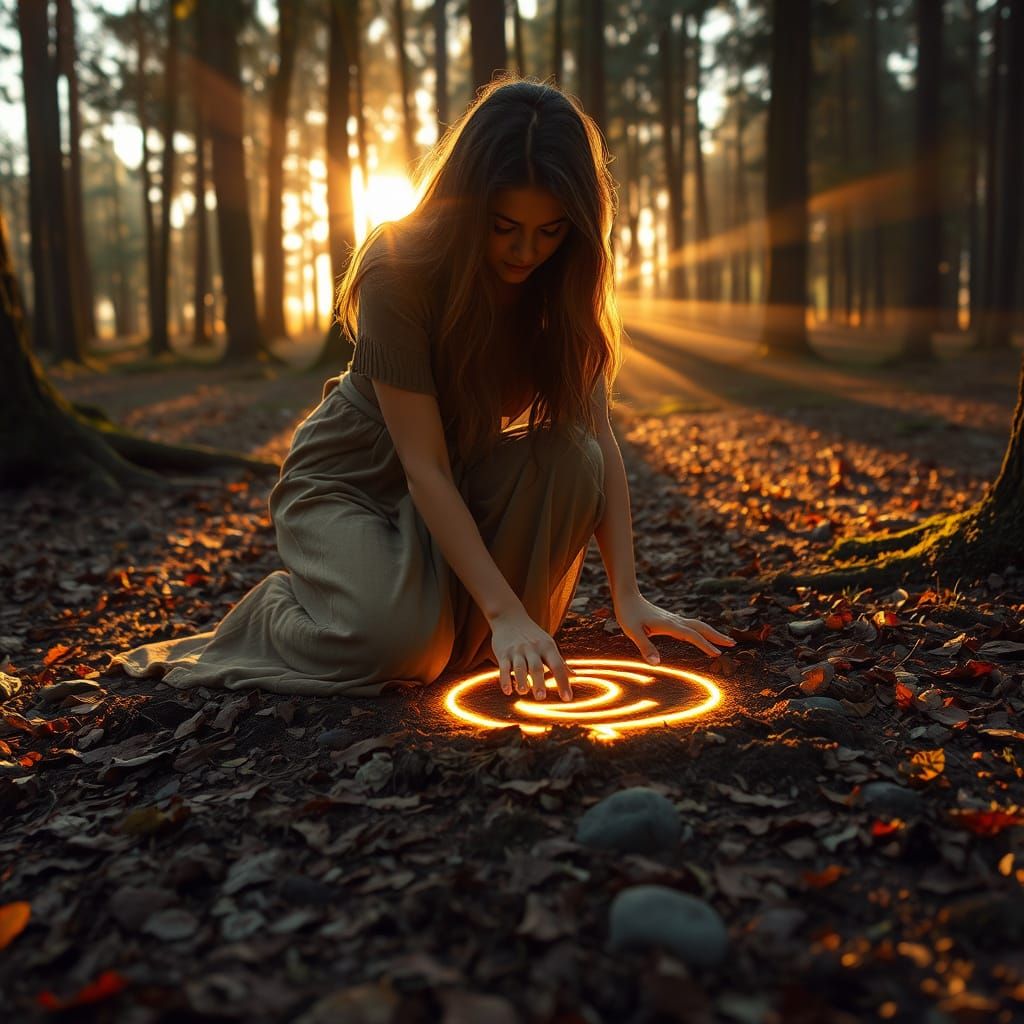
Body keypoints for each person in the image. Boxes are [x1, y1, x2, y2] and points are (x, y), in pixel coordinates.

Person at [114, 76, 734, 702]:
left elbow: (598, 441)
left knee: (570, 459)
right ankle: (282, 613)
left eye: (550, 231)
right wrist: (502, 612)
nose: (526, 251)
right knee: (401, 648)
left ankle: (435, 626)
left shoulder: (564, 289)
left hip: (460, 483)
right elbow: (424, 469)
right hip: (357, 483)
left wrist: (628, 596)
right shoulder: (399, 264)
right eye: (504, 226)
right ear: (467, 204)